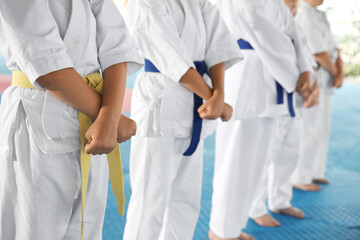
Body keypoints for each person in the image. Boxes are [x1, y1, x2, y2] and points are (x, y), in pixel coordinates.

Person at [0, 0, 143, 239]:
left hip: (94, 124)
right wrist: (109, 116)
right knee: (34, 231)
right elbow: (47, 67)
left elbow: (116, 45)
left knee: (86, 230)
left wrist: (108, 116)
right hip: (37, 124)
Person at [122, 0, 243, 239]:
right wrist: (214, 98)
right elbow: (171, 59)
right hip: (160, 108)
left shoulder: (199, 2)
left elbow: (217, 45)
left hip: (195, 111)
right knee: (150, 203)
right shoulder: (143, 3)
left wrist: (218, 94)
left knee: (186, 201)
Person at [211, 0, 317, 239]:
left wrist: (306, 70)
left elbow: (294, 36)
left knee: (256, 164)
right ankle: (221, 231)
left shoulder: (278, 4)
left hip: (273, 85)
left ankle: (234, 227)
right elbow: (263, 33)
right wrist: (295, 74)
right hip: (247, 79)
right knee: (234, 162)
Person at [247, 0, 321, 228]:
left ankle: (280, 200)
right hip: (273, 96)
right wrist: (297, 80)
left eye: (294, 3)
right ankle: (256, 208)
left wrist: (312, 84)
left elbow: (307, 60)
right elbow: (274, 58)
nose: (292, 5)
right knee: (265, 154)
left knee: (289, 152)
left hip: (294, 100)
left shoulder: (295, 26)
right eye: (288, 1)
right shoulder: (263, 20)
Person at [292, 0, 344, 190]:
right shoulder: (303, 13)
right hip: (316, 75)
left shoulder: (319, 14)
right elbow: (319, 53)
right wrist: (336, 73)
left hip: (327, 76)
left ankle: (315, 172)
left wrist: (340, 70)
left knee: (321, 128)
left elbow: (335, 49)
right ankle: (300, 176)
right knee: (309, 129)